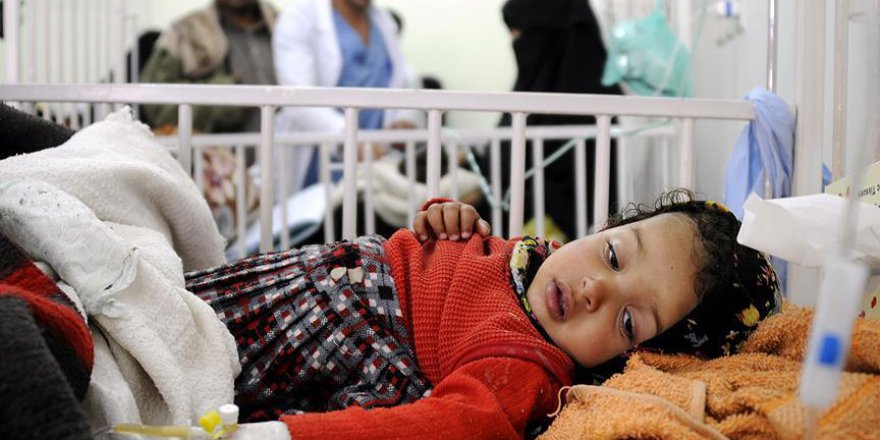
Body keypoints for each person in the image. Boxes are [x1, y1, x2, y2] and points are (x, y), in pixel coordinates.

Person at [184, 188, 781, 439]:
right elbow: (460, 269)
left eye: (628, 323)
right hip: (288, 286)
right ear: (605, 229)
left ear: (635, 358)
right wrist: (445, 216)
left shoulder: (526, 367)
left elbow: (432, 429)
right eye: (613, 255)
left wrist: (281, 435)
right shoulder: (539, 260)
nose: (594, 289)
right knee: (177, 308)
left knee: (177, 357)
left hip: (316, 337)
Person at [487, 0, 624, 242]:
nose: (514, 41)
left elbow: (577, 190)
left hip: (566, 236)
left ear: (547, 34)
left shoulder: (598, 109)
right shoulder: (533, 88)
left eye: (519, 32)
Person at [271, 0, 424, 194]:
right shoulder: (300, 17)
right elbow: (298, 99)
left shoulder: (383, 22)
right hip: (317, 167)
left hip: (376, 167)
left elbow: (400, 80)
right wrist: (351, 137)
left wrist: (404, 119)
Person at [140, 0, 278, 133]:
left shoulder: (282, 24)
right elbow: (157, 105)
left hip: (285, 145)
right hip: (215, 147)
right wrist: (224, 95)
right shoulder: (185, 31)